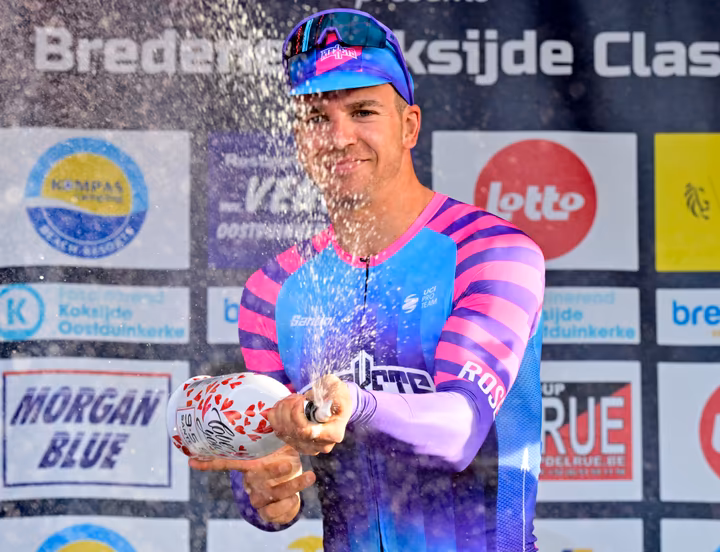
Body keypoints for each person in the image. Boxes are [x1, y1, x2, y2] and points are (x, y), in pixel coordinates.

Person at [190, 8, 546, 551]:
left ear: (409, 126)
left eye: (362, 111)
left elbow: (460, 430)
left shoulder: (490, 252)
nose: (339, 137)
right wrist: (265, 489)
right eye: (315, 118)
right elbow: (274, 466)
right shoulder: (273, 289)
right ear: (298, 138)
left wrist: (355, 404)